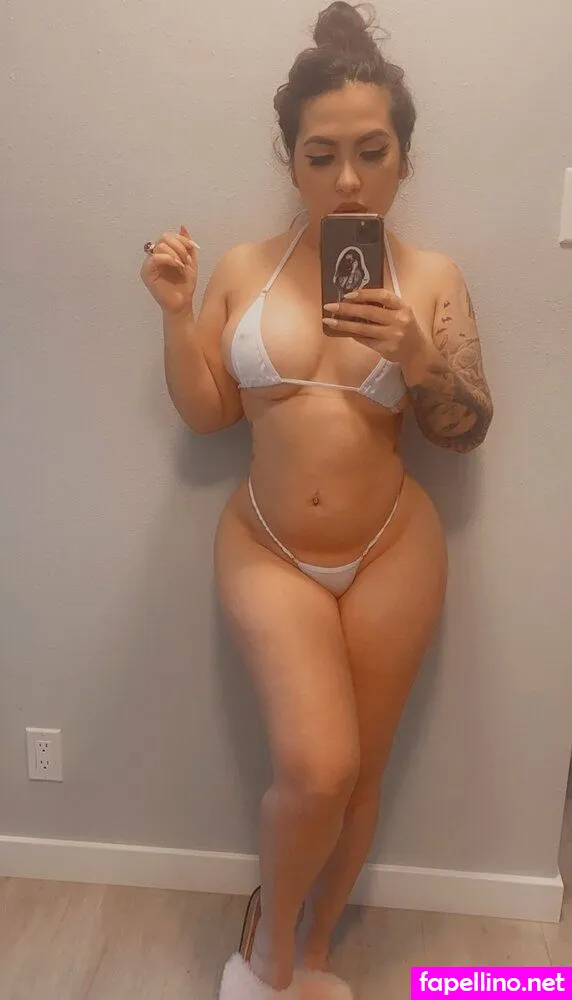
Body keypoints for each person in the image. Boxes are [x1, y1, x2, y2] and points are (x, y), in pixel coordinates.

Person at [140, 2, 494, 997]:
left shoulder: (431, 277)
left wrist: (418, 355)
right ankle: (268, 946)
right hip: (267, 545)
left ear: (403, 159)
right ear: (289, 161)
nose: (346, 178)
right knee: (315, 768)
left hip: (392, 547)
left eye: (371, 152)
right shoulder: (245, 270)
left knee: (362, 773)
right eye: (321, 155)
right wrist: (177, 314)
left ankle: (317, 949)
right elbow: (209, 413)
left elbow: (465, 429)